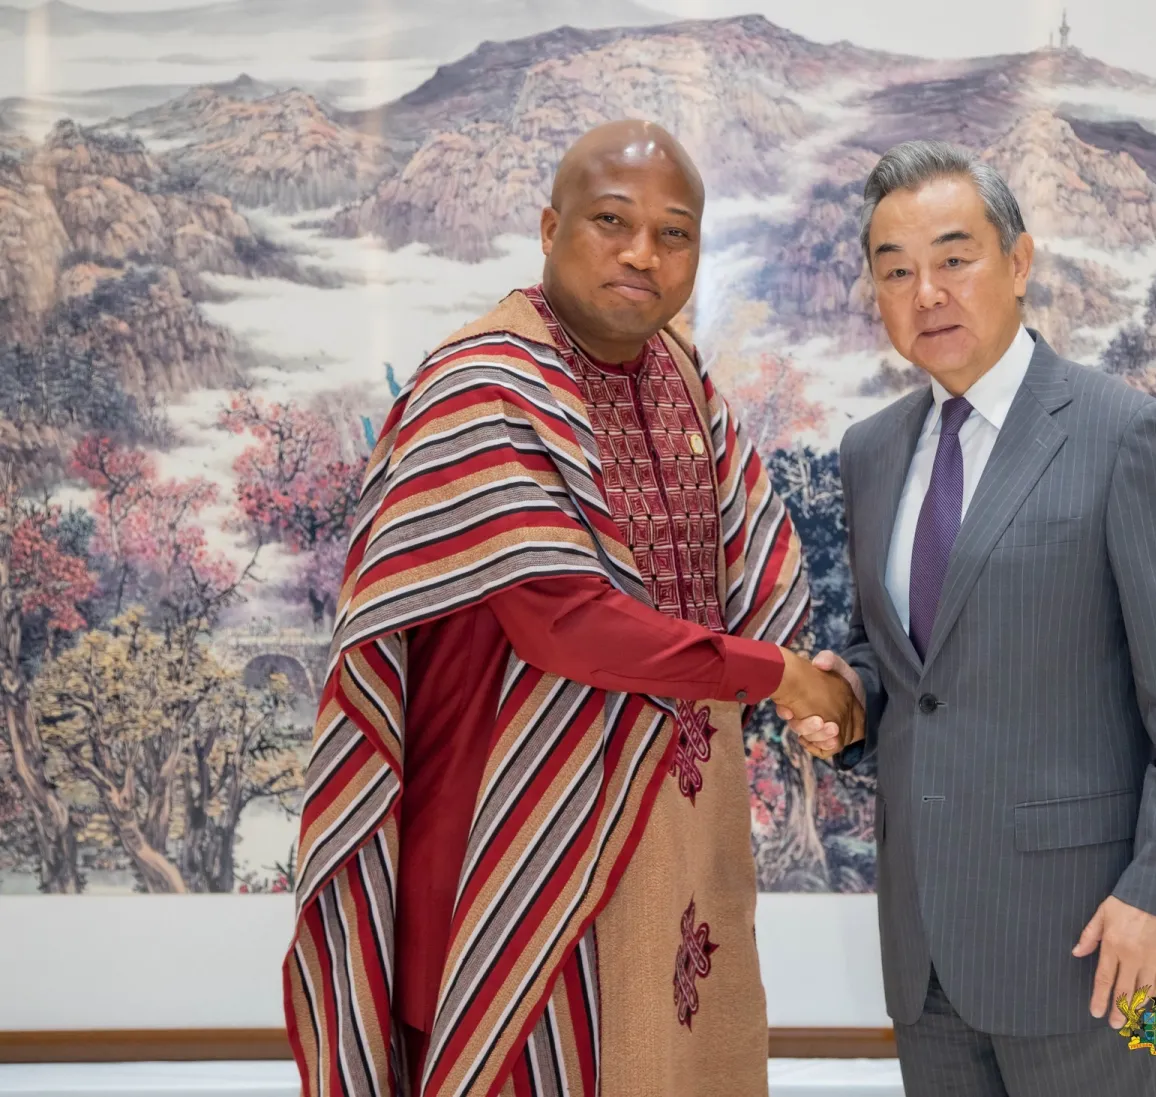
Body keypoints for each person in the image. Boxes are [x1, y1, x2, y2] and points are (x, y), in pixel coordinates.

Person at [283, 120, 862, 1097]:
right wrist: (779, 675)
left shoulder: (681, 379)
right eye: (612, 221)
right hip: (506, 850)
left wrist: (826, 684)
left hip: (663, 854)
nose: (643, 252)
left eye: (674, 233)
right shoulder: (482, 383)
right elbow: (564, 619)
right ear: (551, 226)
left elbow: (755, 572)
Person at [785, 140, 1156, 1095]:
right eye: (896, 270)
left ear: (1020, 263)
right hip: (927, 950)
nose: (927, 292)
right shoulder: (871, 451)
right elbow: (908, 662)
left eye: (956, 258)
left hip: (1107, 945)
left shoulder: (1126, 434)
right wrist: (854, 697)